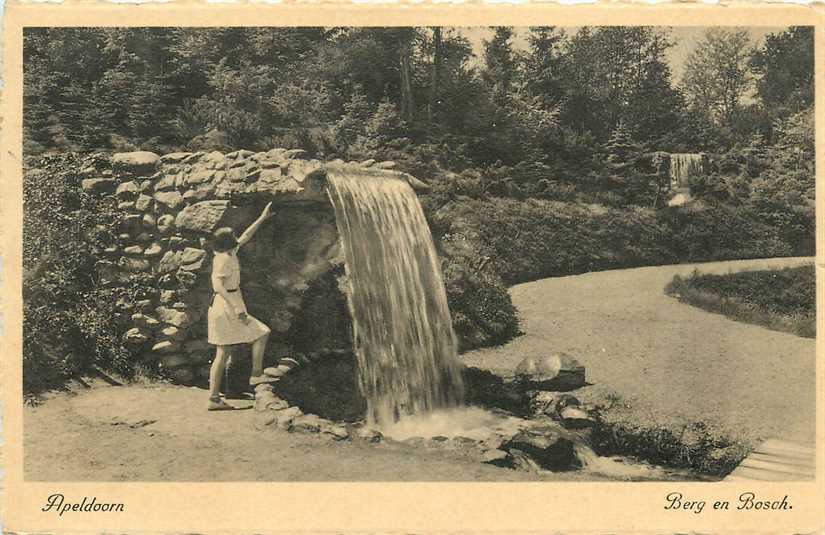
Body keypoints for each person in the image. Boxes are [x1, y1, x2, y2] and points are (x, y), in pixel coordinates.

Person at [206, 202, 276, 411]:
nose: (238, 240)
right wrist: (236, 308)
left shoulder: (228, 253)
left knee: (224, 352)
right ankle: (255, 374)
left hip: (228, 304)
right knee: (262, 333)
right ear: (228, 243)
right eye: (233, 238)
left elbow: (245, 236)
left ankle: (214, 398)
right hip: (227, 305)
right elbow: (217, 285)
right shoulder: (223, 261)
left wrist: (262, 217)